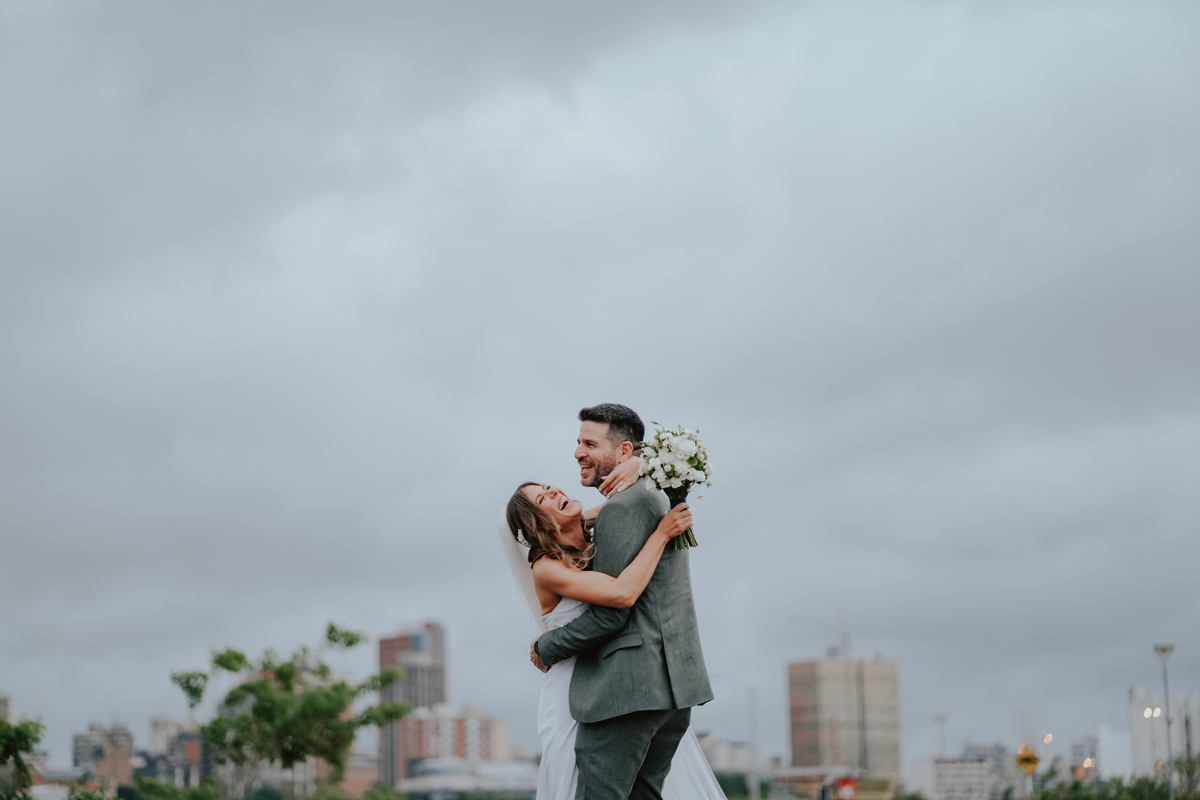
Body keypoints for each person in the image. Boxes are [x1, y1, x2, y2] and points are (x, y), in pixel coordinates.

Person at [501, 403, 721, 800]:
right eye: (544, 499)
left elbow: (617, 604)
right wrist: (658, 521)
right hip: (593, 685)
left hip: (616, 689)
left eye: (589, 443)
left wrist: (640, 462)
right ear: (538, 523)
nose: (576, 453)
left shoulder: (612, 515)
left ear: (622, 452)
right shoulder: (550, 565)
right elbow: (619, 595)